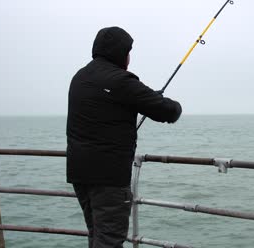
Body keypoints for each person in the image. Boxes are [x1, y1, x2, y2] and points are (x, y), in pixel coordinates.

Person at [66, 26, 182, 248]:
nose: (129, 58)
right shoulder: (120, 81)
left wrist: (142, 99)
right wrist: (167, 103)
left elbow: (110, 105)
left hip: (79, 173)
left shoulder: (79, 78)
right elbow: (168, 111)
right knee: (109, 240)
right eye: (128, 51)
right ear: (120, 53)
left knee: (97, 235)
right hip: (109, 177)